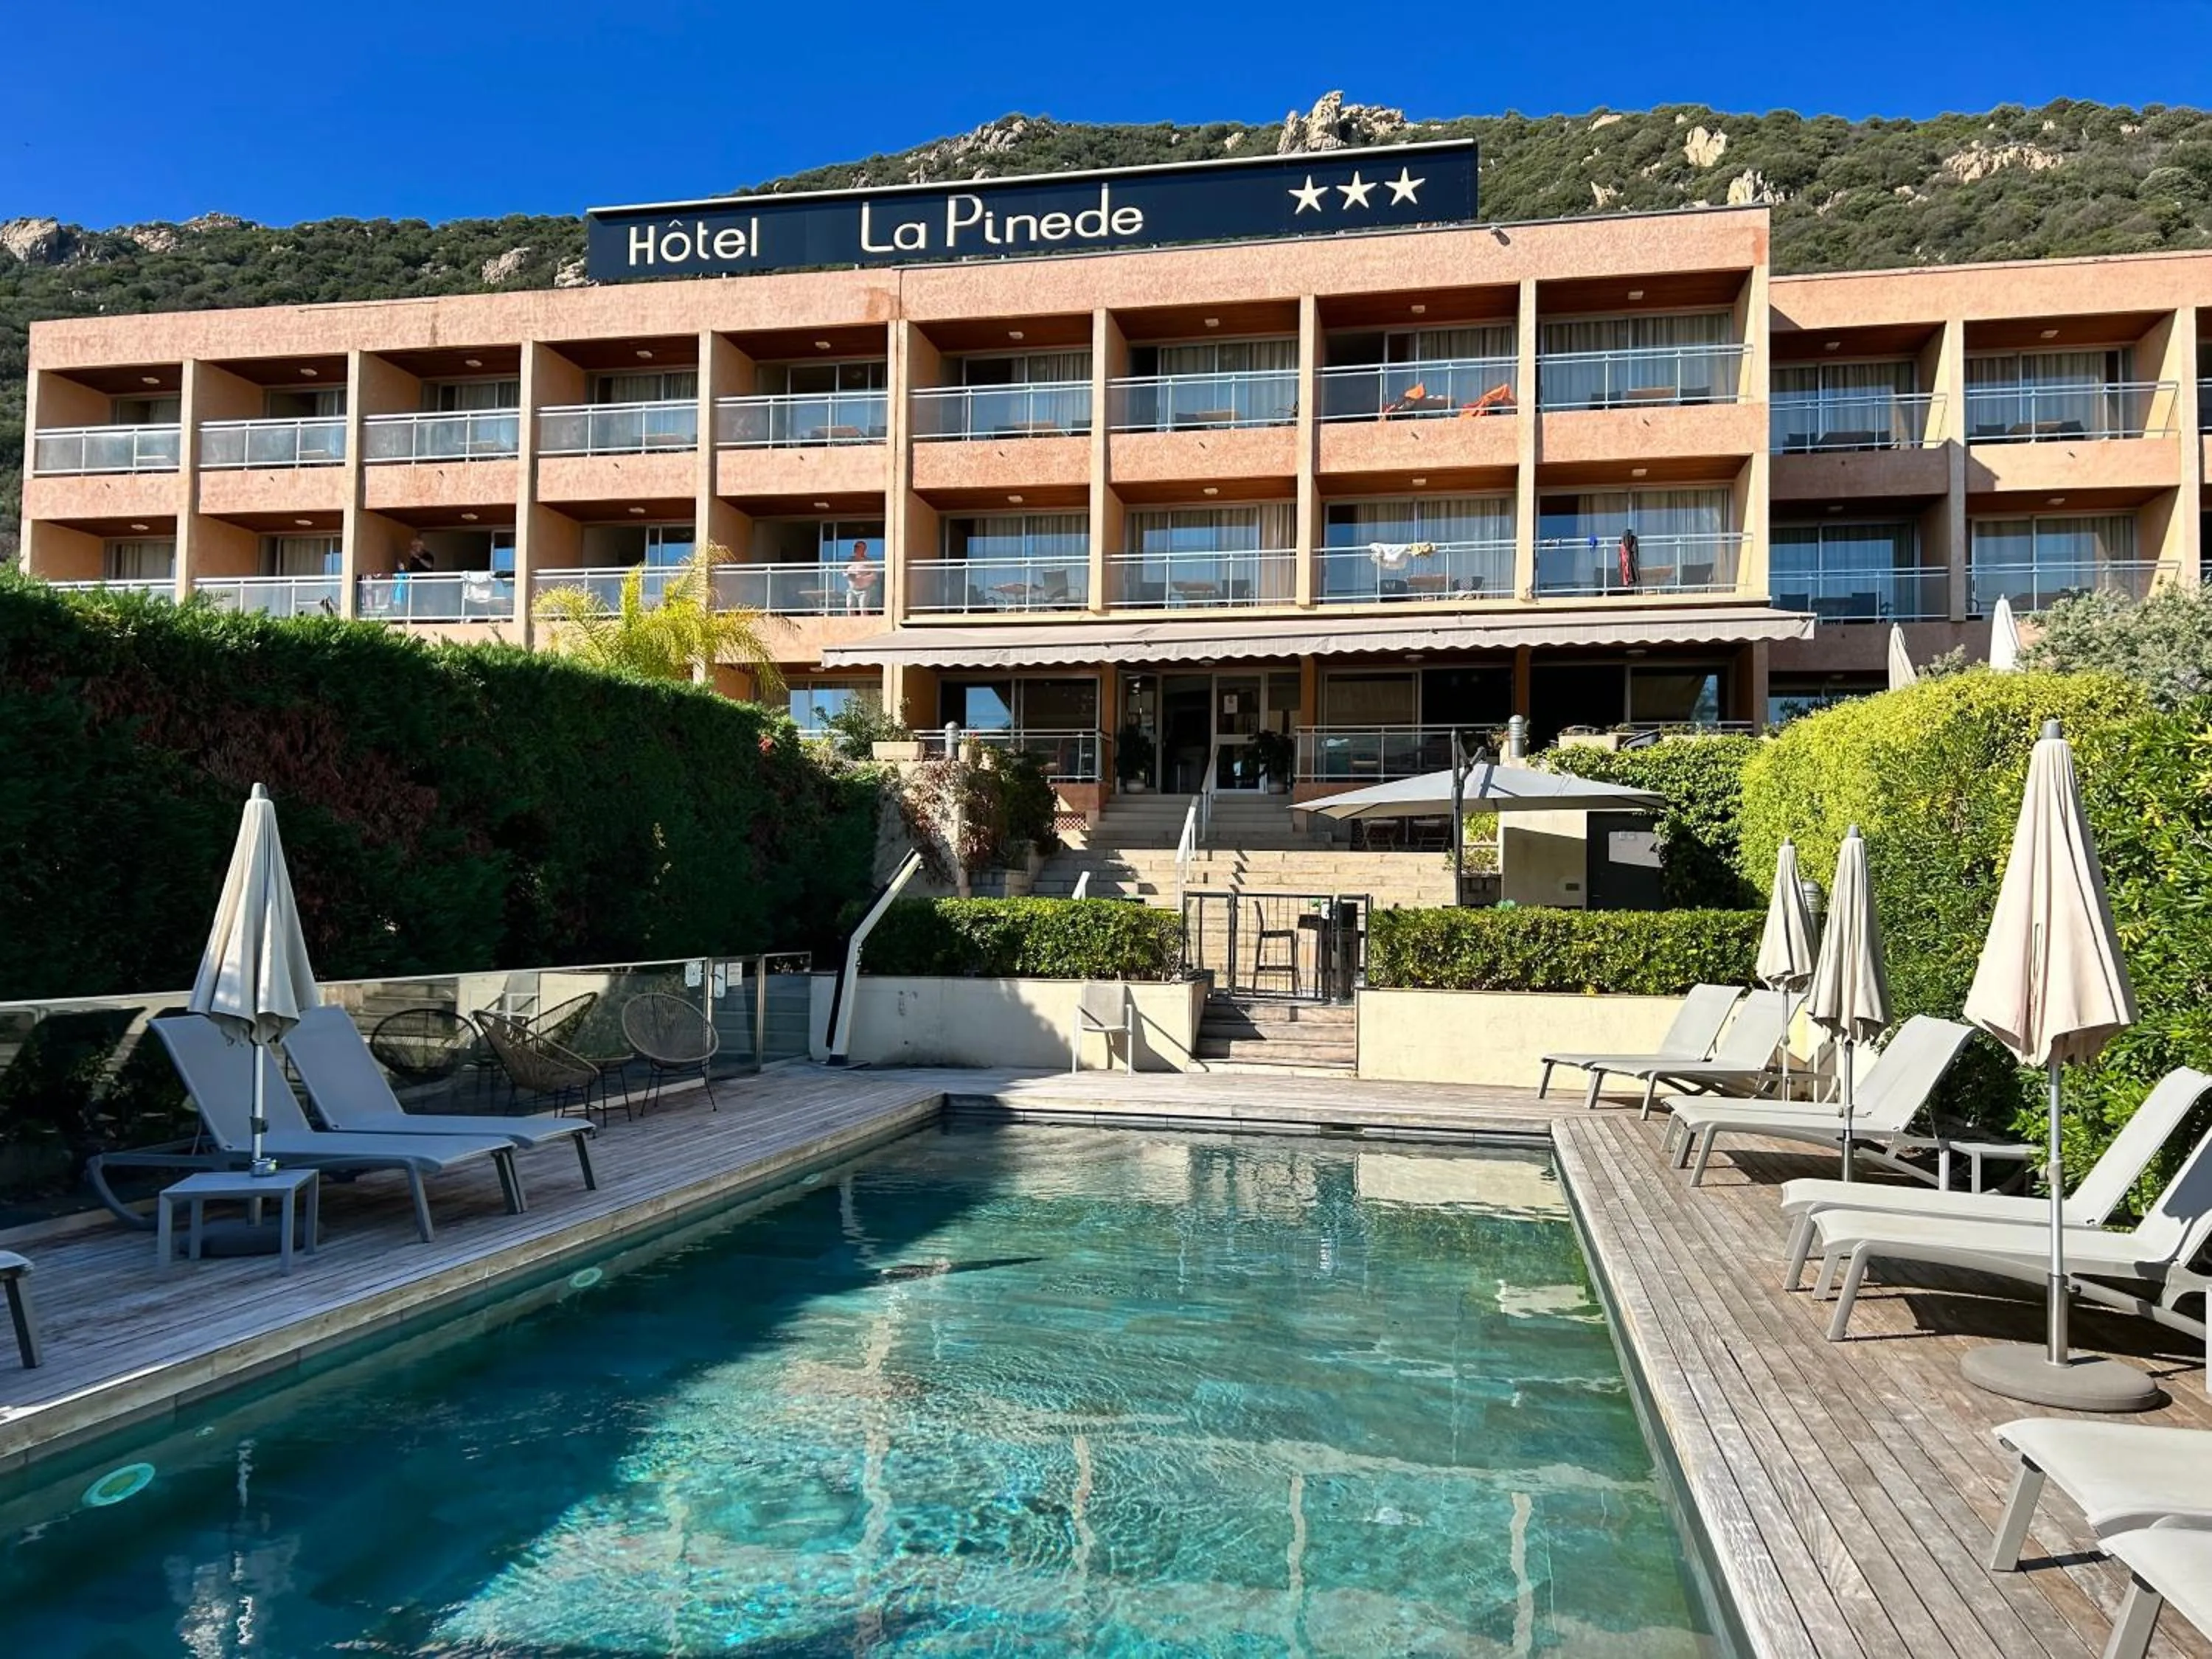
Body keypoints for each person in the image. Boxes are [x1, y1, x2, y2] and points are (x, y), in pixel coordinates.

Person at [844, 540, 879, 613]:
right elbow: (844, 573)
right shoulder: (849, 560)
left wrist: (863, 578)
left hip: (864, 590)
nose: (855, 548)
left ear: (864, 549)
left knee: (863, 608)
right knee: (849, 606)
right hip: (852, 589)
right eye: (855, 547)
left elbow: (874, 575)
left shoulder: (868, 561)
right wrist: (849, 575)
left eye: (858, 547)